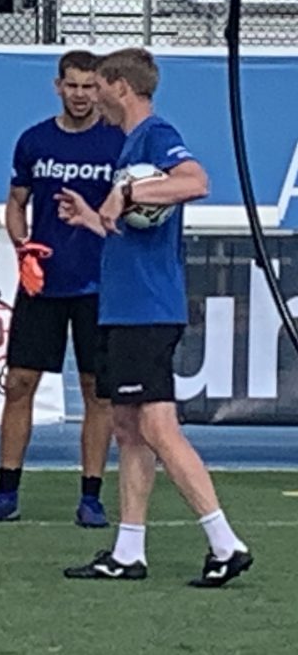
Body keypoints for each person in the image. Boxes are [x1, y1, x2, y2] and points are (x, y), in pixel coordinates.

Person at [57, 48, 252, 586]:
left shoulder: (155, 135)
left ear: (121, 87)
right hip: (125, 305)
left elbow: (196, 180)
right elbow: (133, 230)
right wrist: (94, 219)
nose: (91, 97)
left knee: (157, 427)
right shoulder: (129, 147)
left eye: (98, 86)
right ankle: (128, 550)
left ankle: (224, 541)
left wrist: (124, 190)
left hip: (146, 307)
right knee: (127, 427)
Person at [0, 51, 123, 528]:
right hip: (41, 286)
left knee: (98, 392)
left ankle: (91, 497)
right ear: (58, 86)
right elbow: (16, 204)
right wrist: (22, 246)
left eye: (89, 86)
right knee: (19, 384)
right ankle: (6, 492)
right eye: (72, 85)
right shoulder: (35, 140)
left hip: (97, 284)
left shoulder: (117, 142)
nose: (80, 94)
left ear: (102, 88)